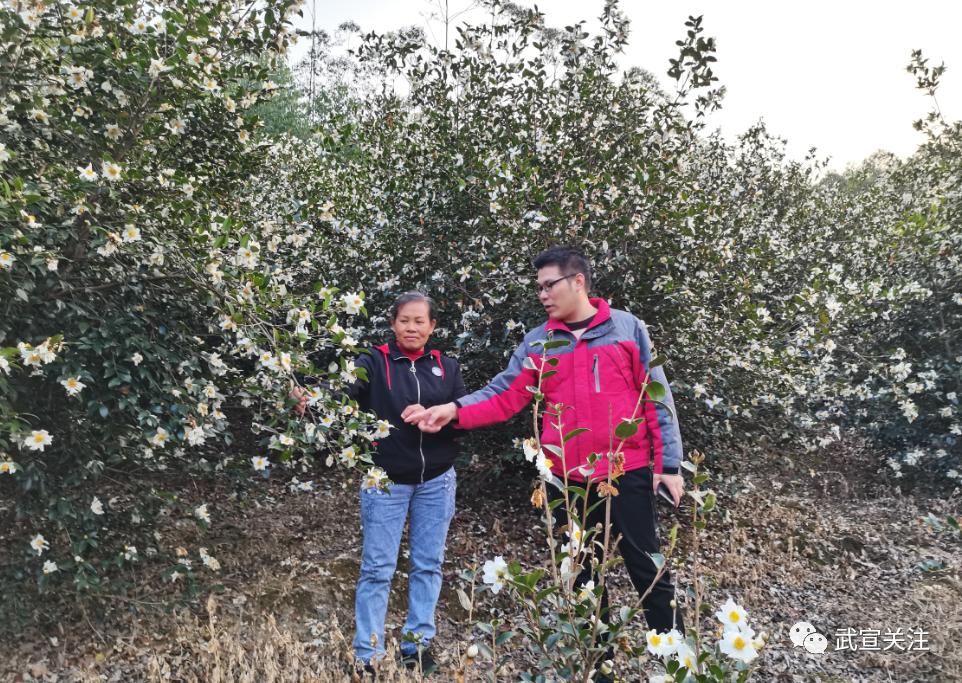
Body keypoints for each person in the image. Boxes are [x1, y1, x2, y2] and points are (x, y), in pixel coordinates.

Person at [403, 246, 685, 645]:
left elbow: (656, 397)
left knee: (648, 571)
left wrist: (668, 466)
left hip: (627, 472)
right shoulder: (541, 343)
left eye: (549, 285)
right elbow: (505, 393)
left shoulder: (627, 328)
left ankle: (674, 663)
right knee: (583, 581)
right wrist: (452, 409)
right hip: (567, 481)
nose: (543, 295)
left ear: (578, 282)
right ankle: (595, 670)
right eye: (538, 288)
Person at [301, 291, 466, 674]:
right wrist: (312, 399)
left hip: (436, 481)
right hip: (385, 481)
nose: (412, 327)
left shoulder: (447, 366)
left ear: (432, 326)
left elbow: (465, 413)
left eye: (419, 321)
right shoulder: (373, 361)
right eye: (404, 320)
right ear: (393, 324)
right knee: (377, 568)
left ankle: (417, 646)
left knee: (428, 564)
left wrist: (438, 416)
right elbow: (343, 393)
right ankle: (368, 654)